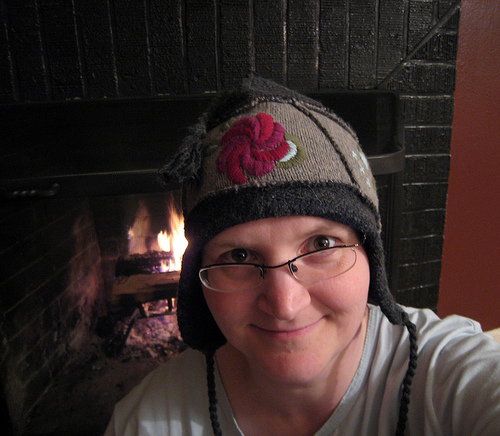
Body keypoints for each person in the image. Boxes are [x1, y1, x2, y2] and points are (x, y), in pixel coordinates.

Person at [105, 76, 500, 436]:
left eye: (322, 245)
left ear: (369, 253)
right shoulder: (145, 421)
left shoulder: (445, 373)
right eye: (239, 255)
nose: (284, 304)